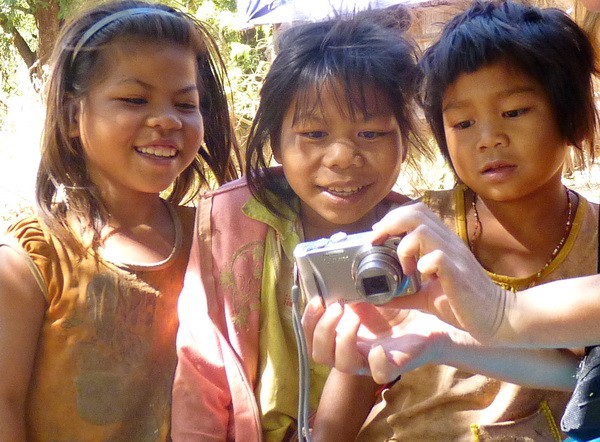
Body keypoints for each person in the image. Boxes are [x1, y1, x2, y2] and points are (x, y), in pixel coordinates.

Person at [303, 0, 600, 440]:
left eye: (514, 112)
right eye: (462, 123)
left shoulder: (593, 241)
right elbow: (363, 365)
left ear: (573, 117)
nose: (488, 139)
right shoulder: (415, 235)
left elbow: (584, 380)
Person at [171, 9, 427, 441]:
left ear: (404, 139)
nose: (342, 157)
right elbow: (201, 367)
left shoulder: (415, 240)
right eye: (314, 134)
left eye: (371, 134)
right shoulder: (231, 219)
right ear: (276, 141)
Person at [0, 1, 240, 439]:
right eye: (134, 99)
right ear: (72, 117)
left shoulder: (216, 242)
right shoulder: (32, 262)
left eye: (186, 103)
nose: (167, 119)